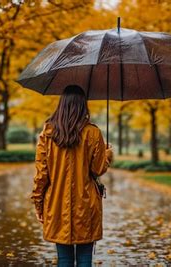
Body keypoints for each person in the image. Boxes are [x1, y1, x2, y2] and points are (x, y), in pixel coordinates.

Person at [31, 85, 113, 267]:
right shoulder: (93, 132)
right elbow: (99, 169)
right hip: (86, 205)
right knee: (85, 259)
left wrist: (38, 204)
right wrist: (107, 154)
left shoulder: (48, 133)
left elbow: (41, 174)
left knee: (64, 259)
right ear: (83, 106)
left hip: (56, 204)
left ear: (62, 105)